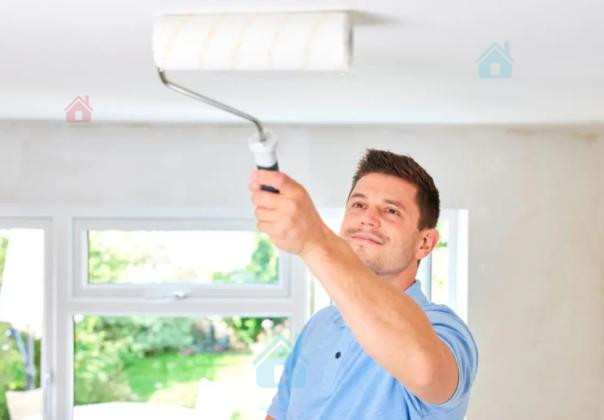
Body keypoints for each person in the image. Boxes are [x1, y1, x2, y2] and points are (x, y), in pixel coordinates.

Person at [248, 149, 478, 419]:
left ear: (425, 243)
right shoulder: (318, 326)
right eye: (358, 205)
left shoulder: (444, 331)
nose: (367, 218)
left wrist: (315, 241)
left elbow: (425, 371)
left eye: (391, 211)